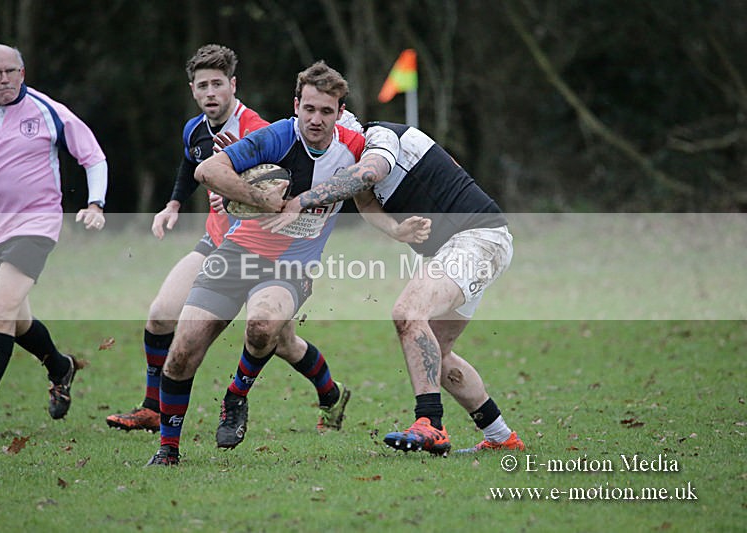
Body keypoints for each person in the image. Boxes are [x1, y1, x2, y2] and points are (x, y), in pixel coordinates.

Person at [105, 45, 351, 439]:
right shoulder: (195, 128)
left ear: (233, 85)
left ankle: (323, 394)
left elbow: (282, 176)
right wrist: (173, 204)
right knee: (163, 317)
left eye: (217, 84)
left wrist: (246, 194)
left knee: (273, 334)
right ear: (192, 90)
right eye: (202, 85)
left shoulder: (261, 130)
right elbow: (194, 164)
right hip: (219, 245)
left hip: (272, 252)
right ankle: (154, 410)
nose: (210, 93)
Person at [276, 121, 525, 455]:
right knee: (436, 350)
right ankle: (501, 437)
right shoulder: (353, 158)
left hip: (477, 239)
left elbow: (366, 176)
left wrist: (301, 201)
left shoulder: (381, 137)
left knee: (408, 313)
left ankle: (430, 424)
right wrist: (395, 230)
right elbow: (366, 204)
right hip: (464, 246)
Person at [0, 44, 108, 438]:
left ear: (23, 71)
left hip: (38, 223)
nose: (5, 80)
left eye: (11, 71)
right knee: (16, 320)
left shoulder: (48, 111)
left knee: (0, 313)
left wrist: (95, 203)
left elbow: (93, 157)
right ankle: (59, 366)